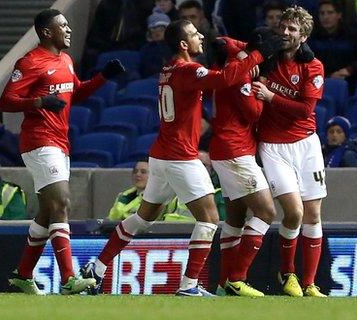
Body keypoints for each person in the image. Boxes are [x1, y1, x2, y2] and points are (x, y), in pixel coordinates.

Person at [81, 18, 280, 297]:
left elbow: (218, 77)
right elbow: (223, 79)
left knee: (143, 218)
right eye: (195, 34)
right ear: (184, 44)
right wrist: (256, 55)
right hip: (180, 157)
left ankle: (97, 268)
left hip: (161, 156)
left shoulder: (168, 69)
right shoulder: (188, 70)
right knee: (210, 219)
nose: (201, 37)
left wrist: (243, 54)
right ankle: (188, 285)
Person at [0, 9, 125, 295]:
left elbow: (74, 93)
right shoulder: (30, 61)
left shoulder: (65, 59)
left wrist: (103, 77)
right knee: (62, 203)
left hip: (60, 142)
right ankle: (69, 279)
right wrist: (39, 102)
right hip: (39, 141)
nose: (68, 30)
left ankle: (22, 275)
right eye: (63, 26)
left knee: (48, 211)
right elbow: (5, 100)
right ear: (46, 32)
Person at [252, 6, 327, 297]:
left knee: (313, 214)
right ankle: (287, 272)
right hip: (273, 146)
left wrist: (270, 95)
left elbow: (305, 109)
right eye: (282, 27)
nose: (284, 32)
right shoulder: (266, 60)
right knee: (293, 212)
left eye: (292, 29)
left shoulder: (313, 66)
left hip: (306, 145)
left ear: (303, 35)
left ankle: (309, 284)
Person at [208, 31, 277, 297]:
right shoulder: (239, 75)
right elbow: (253, 112)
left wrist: (245, 50)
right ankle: (237, 279)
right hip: (236, 151)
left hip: (225, 150)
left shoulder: (229, 64)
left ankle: (224, 284)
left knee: (235, 218)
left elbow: (227, 42)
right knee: (266, 212)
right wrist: (262, 86)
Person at [309, 0, 357, 93]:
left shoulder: (354, 36)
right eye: (322, 13)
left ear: (339, 15)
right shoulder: (313, 38)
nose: (325, 17)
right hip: (320, 84)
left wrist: (350, 69)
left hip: (352, 84)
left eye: (330, 13)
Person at [107, 158, 195, 222]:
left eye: (143, 172)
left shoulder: (164, 195)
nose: (138, 175)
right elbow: (112, 219)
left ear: (155, 175)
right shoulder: (124, 196)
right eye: (135, 171)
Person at [178, 0, 218, 67]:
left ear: (201, 18)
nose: (188, 21)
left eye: (193, 17)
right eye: (184, 18)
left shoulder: (212, 38)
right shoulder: (174, 39)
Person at [140, 10, 172, 77]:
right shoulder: (146, 48)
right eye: (153, 28)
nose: (157, 32)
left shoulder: (173, 46)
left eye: (161, 28)